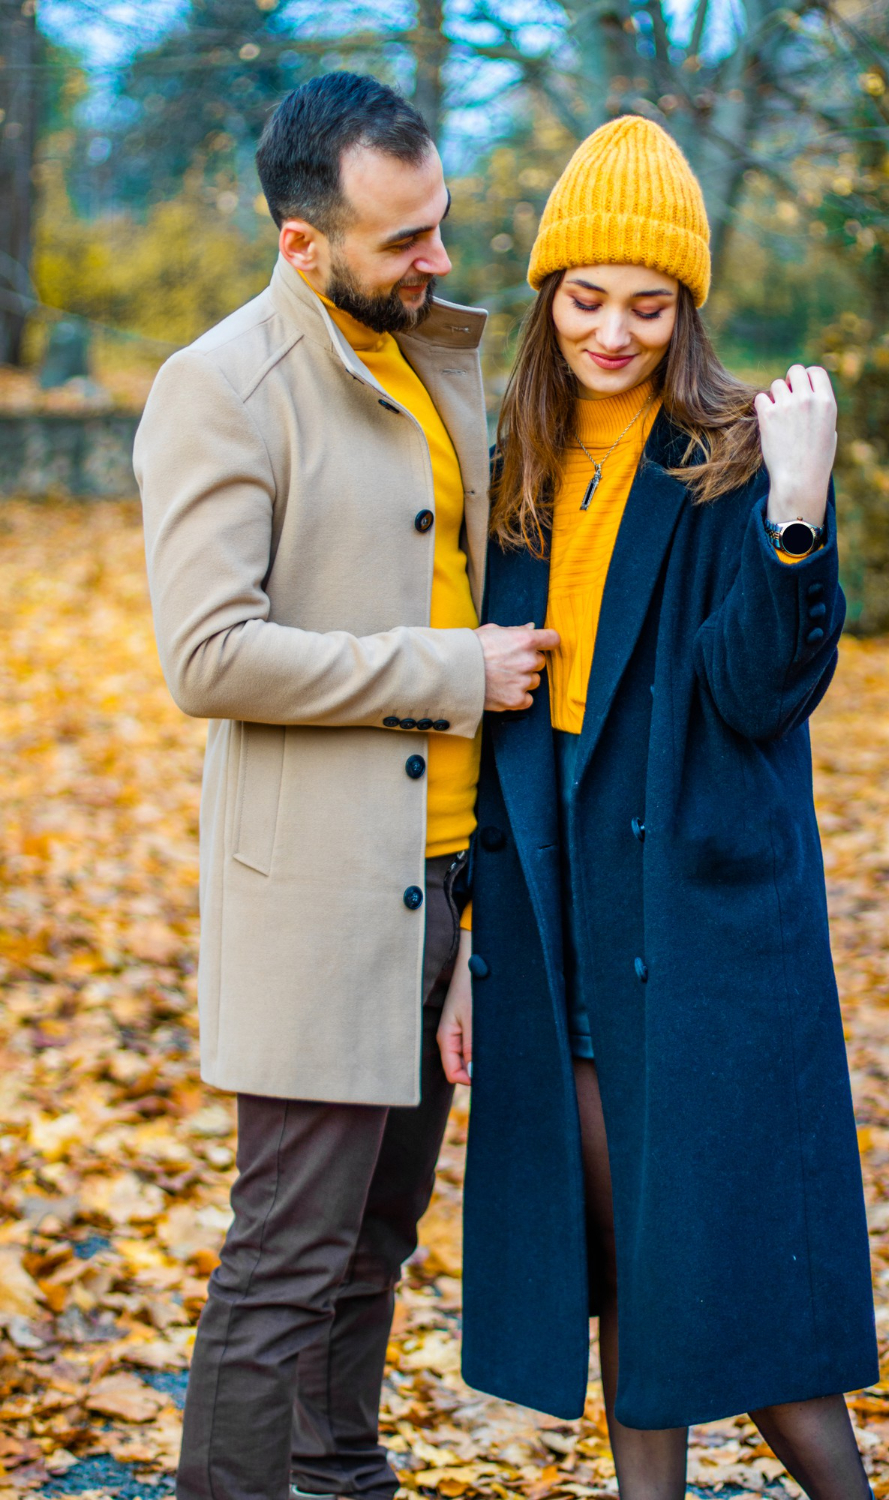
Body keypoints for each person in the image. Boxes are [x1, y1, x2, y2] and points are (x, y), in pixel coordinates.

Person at [438, 116, 879, 1500]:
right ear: (547, 297)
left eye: (647, 304)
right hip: (555, 915)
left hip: (696, 924)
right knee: (630, 1255)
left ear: (685, 309)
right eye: (584, 298)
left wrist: (799, 509)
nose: (612, 332)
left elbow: (759, 694)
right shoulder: (516, 461)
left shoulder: (734, 457)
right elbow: (506, 740)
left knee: (726, 1271)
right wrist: (463, 950)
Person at [135, 71, 555, 1500]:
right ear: (303, 245)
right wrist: (448, 669)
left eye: (439, 221)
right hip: (318, 901)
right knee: (285, 1264)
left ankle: (343, 1481)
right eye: (402, 239)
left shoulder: (428, 362)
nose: (436, 258)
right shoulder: (222, 385)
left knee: (376, 1245)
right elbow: (207, 654)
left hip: (445, 887)